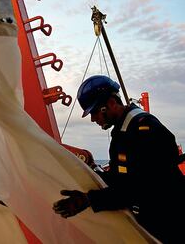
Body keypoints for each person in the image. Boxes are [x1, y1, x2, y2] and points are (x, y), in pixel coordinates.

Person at [53, 75, 185, 243]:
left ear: (110, 103)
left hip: (170, 222)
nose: (93, 119)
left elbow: (139, 188)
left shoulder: (144, 130)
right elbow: (121, 179)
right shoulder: (123, 131)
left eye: (94, 112)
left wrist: (89, 200)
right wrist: (90, 172)